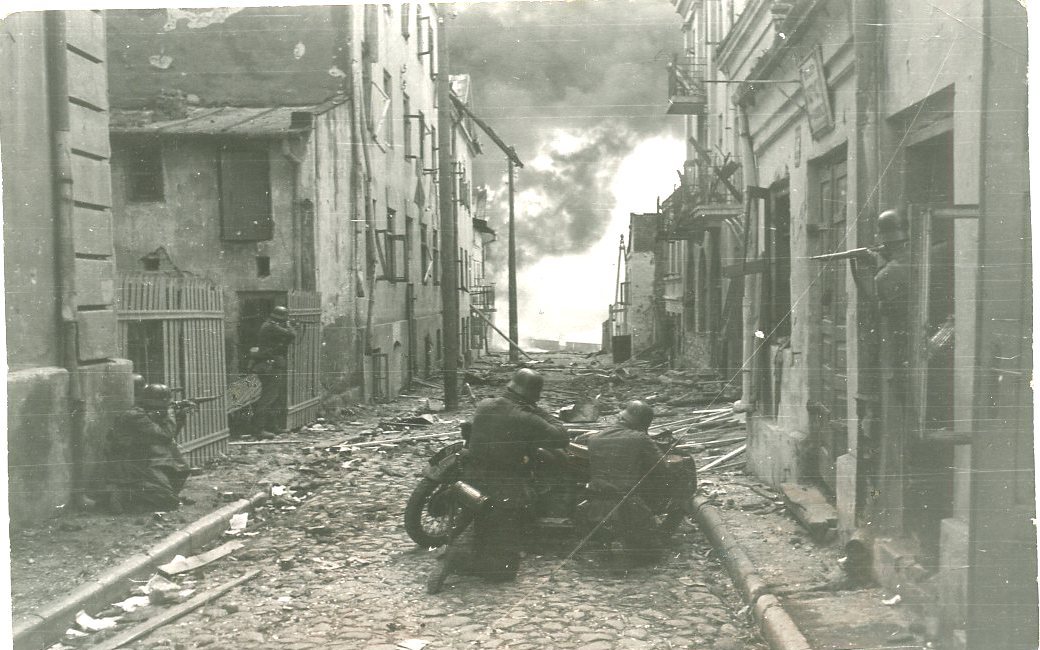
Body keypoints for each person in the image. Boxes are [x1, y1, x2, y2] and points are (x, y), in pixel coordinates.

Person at [426, 368, 569, 594]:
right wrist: (540, 411)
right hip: (504, 489)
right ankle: (463, 562)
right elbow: (561, 437)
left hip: (471, 479)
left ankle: (464, 550)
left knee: (485, 525)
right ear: (533, 395)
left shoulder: (485, 405)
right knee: (504, 571)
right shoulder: (527, 417)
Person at [585, 400, 669, 569]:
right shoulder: (640, 438)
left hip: (595, 507)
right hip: (628, 506)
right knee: (652, 554)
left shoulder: (594, 438)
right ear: (642, 424)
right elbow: (662, 467)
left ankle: (606, 543)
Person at [105, 383, 191, 513]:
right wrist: (170, 413)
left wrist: (180, 417)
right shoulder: (136, 416)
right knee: (169, 502)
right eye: (163, 405)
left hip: (144, 458)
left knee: (181, 470)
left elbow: (168, 438)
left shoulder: (148, 413)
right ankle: (122, 493)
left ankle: (155, 495)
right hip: (128, 463)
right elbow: (165, 435)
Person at [251, 306, 297, 439]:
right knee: (268, 398)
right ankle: (259, 429)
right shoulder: (271, 327)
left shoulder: (270, 325)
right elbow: (292, 334)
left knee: (274, 397)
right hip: (269, 367)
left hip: (272, 366)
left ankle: (272, 426)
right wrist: (289, 324)